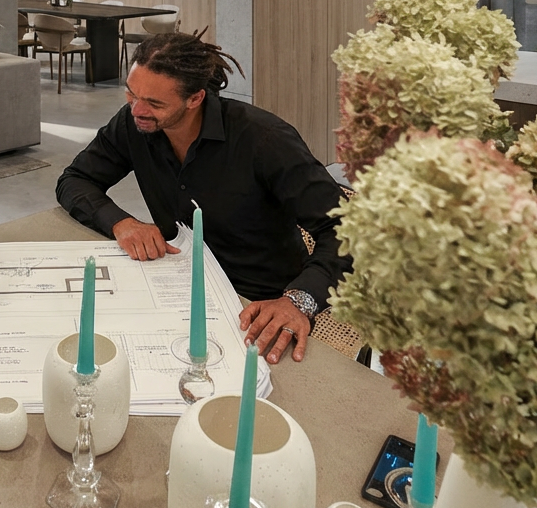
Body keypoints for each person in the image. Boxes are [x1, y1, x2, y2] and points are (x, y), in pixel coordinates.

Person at [56, 32, 351, 365]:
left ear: (195, 99)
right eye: (131, 93)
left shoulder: (265, 140)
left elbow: (347, 230)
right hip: (175, 283)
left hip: (257, 302)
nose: (137, 109)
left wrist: (298, 301)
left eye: (154, 102)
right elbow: (75, 180)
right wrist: (122, 223)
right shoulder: (134, 123)